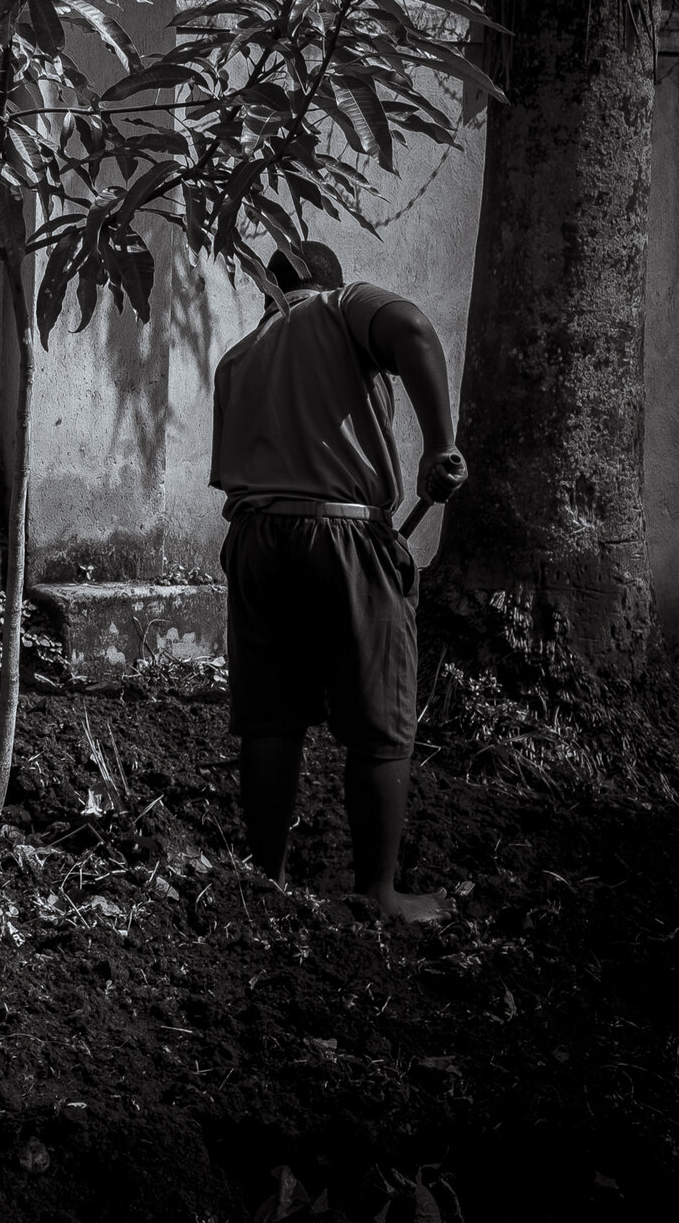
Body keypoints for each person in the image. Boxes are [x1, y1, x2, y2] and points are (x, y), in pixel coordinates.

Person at [210, 241, 468, 922]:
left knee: (271, 718)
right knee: (378, 715)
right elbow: (412, 328)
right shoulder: (342, 306)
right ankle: (378, 891)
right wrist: (439, 445)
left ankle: (264, 878)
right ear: (328, 281)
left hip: (257, 538)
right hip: (344, 533)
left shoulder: (238, 357)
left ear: (272, 291)